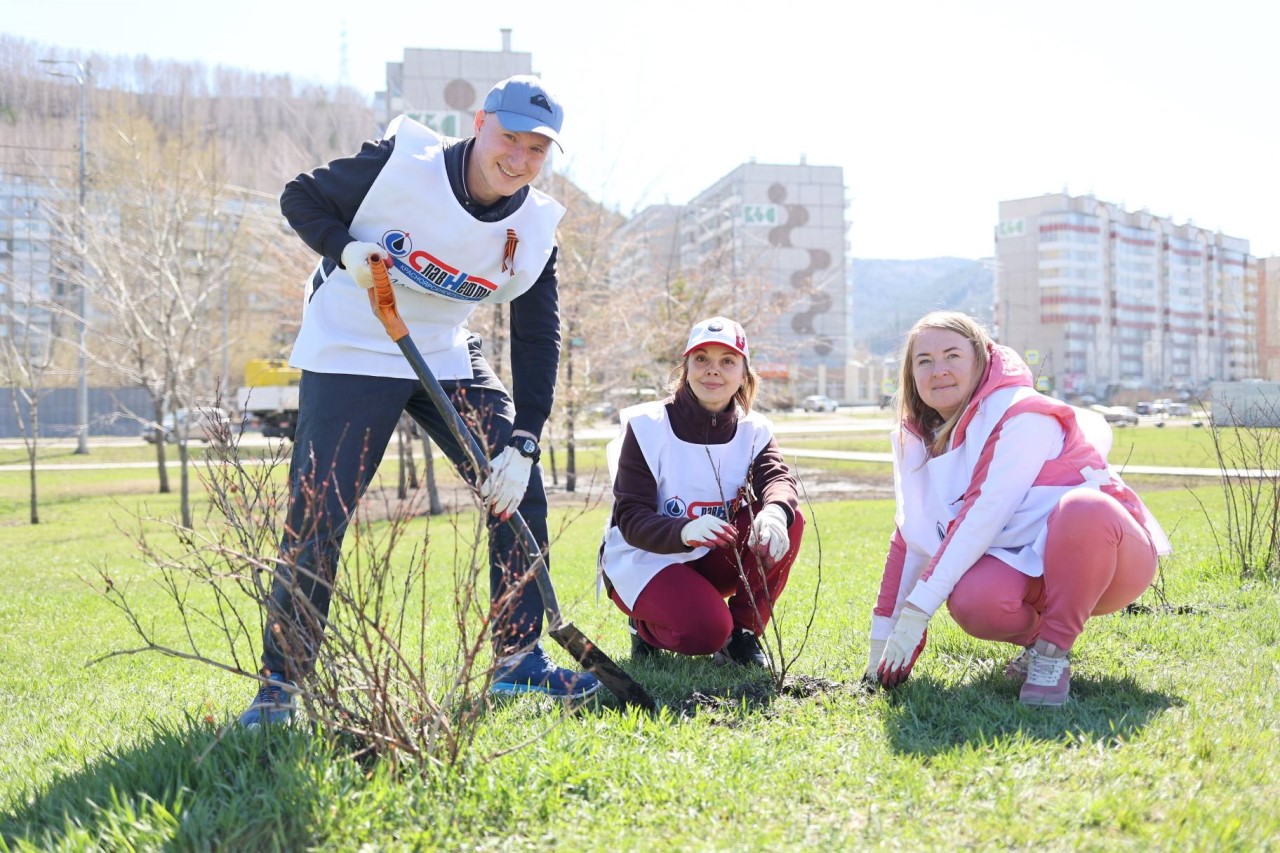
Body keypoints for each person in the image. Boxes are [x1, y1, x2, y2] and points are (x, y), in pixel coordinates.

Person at [239, 75, 599, 726]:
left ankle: (518, 662)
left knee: (519, 485)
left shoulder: (536, 227)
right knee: (319, 509)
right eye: (509, 138)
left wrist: (526, 438)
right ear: (480, 121)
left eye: (536, 150)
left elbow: (537, 334)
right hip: (351, 338)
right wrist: (345, 248)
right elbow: (301, 198)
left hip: (438, 347)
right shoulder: (401, 164)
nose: (518, 159)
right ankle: (279, 688)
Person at [866, 311, 1171, 706]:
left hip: (1111, 560)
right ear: (910, 375)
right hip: (1028, 570)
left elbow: (985, 512)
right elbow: (911, 536)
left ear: (981, 361)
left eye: (952, 355)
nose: (938, 370)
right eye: (924, 361)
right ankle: (1037, 642)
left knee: (1082, 508)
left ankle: (1052, 654)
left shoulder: (1021, 413)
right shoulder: (920, 440)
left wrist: (919, 610)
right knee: (973, 600)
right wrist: (883, 644)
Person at [598, 317, 805, 669]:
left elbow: (777, 479)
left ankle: (743, 635)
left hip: (709, 553)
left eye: (727, 361)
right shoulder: (647, 427)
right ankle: (643, 624)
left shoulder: (753, 429)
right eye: (702, 359)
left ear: (744, 373)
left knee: (790, 518)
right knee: (705, 632)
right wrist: (683, 530)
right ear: (686, 367)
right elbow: (631, 517)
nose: (713, 370)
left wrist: (773, 513)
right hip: (645, 560)